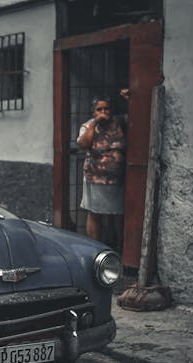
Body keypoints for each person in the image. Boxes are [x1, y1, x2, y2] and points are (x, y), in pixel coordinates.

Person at [77, 90, 128, 250]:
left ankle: (121, 249)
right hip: (95, 179)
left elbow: (139, 118)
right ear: (94, 112)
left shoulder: (121, 123)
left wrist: (129, 99)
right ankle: (95, 249)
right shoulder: (87, 126)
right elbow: (84, 143)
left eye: (106, 109)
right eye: (99, 110)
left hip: (117, 180)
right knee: (94, 213)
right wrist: (94, 123)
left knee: (120, 215)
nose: (103, 113)